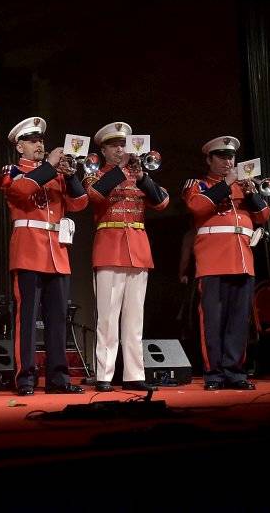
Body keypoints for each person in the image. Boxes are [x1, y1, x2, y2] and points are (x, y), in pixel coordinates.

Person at [0, 117, 88, 396]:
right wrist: (50, 166)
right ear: (19, 146)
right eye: (32, 140)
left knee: (58, 319)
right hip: (27, 250)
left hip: (57, 252)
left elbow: (79, 203)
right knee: (26, 318)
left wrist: (71, 175)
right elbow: (20, 191)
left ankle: (58, 379)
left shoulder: (57, 174)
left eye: (41, 140)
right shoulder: (12, 170)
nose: (39, 144)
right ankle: (25, 378)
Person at [182, 136, 270, 390]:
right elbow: (197, 207)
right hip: (212, 262)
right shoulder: (197, 184)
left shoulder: (244, 186)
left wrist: (252, 193)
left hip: (242, 261)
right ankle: (214, 374)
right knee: (212, 320)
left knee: (239, 321)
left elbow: (263, 216)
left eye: (230, 157)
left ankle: (235, 372)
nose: (227, 161)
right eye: (221, 157)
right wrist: (227, 182)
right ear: (209, 160)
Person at [85, 122, 169, 392]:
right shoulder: (95, 174)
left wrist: (142, 175)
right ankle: (105, 375)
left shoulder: (139, 176)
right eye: (114, 145)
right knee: (107, 318)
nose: (120, 149)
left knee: (135, 319)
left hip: (138, 251)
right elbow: (95, 196)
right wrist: (122, 170)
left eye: (123, 144)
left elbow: (162, 202)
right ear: (104, 149)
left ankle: (135, 373)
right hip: (109, 249)